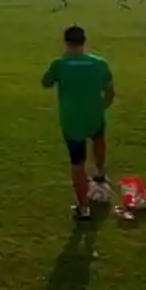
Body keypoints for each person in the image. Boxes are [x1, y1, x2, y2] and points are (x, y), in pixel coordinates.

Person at [41, 25, 114, 221]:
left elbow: (46, 82)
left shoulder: (60, 64)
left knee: (77, 163)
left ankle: (83, 208)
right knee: (99, 140)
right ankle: (100, 175)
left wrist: (61, 62)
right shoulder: (100, 63)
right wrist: (101, 108)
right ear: (84, 41)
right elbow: (110, 92)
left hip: (72, 121)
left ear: (66, 43)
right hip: (95, 116)